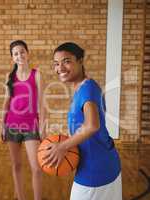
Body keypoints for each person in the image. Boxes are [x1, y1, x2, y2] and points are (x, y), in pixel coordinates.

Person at [43, 42, 122, 200]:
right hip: (104, 164)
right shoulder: (83, 87)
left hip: (94, 171)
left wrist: (62, 146)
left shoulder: (88, 89)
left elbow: (92, 125)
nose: (60, 68)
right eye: (56, 64)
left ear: (80, 61)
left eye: (66, 61)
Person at [2, 40, 45, 200]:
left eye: (22, 52)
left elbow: (42, 103)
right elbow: (6, 101)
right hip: (11, 124)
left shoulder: (37, 75)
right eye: (15, 54)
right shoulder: (10, 76)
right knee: (16, 165)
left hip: (31, 126)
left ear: (28, 53)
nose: (19, 56)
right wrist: (2, 125)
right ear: (12, 58)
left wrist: (43, 126)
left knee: (36, 168)